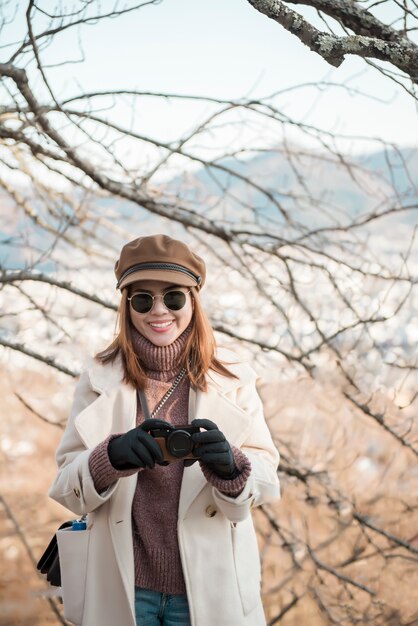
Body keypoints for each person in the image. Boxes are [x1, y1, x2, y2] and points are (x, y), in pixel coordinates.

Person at [49, 234, 280, 626]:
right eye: (142, 299)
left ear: (193, 300)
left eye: (173, 297)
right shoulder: (98, 380)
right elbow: (66, 488)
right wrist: (110, 458)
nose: (159, 311)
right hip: (123, 585)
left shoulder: (235, 379)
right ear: (127, 306)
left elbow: (266, 479)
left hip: (209, 585)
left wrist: (232, 468)